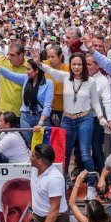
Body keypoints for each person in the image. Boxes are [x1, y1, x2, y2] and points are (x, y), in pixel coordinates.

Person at [37, 50, 102, 182]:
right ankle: (64, 182)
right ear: (70, 65)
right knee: (64, 154)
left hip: (84, 119)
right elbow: (49, 70)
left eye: (79, 64)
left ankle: (91, 184)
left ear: (83, 66)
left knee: (85, 154)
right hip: (67, 120)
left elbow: (95, 101)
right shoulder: (65, 76)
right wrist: (37, 61)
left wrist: (101, 117)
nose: (76, 67)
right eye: (74, 64)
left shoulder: (91, 81)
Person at [0, 54, 52, 146]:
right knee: (28, 144)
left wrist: (40, 123)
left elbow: (47, 105)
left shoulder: (48, 83)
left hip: (41, 118)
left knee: (42, 146)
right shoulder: (25, 79)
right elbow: (9, 75)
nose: (26, 72)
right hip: (26, 118)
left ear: (36, 71)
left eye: (29, 69)